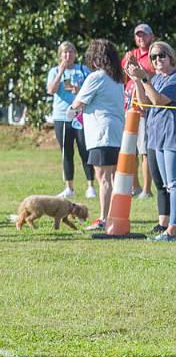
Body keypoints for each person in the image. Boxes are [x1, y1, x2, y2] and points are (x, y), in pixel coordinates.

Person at [71, 39, 126, 231]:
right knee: (111, 178)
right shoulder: (118, 79)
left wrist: (71, 111)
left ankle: (104, 218)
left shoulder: (96, 77)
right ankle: (113, 215)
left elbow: (78, 103)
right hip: (116, 132)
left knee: (103, 178)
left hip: (101, 133)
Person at [126, 40, 176, 241]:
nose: (157, 60)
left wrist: (144, 78)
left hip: (172, 136)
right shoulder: (155, 79)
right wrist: (136, 78)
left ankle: (172, 229)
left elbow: (158, 100)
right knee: (165, 184)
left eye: (161, 55)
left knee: (173, 184)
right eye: (153, 57)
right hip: (157, 136)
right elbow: (145, 104)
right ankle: (167, 224)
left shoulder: (173, 79)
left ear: (171, 57)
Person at [47, 42, 96, 199]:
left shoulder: (83, 70)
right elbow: (51, 90)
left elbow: (93, 90)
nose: (68, 56)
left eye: (70, 52)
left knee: (85, 150)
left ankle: (90, 186)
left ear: (75, 54)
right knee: (66, 152)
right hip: (62, 116)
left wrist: (79, 91)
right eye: (64, 53)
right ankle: (69, 187)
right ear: (60, 55)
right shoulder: (54, 71)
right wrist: (60, 72)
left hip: (81, 115)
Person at [123, 23, 156, 198]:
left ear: (152, 36)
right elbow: (122, 77)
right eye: (138, 35)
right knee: (130, 150)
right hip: (129, 107)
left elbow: (150, 76)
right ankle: (135, 187)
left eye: (144, 35)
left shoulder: (155, 55)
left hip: (144, 109)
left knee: (144, 150)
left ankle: (146, 189)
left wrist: (138, 67)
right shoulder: (130, 54)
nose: (140, 38)